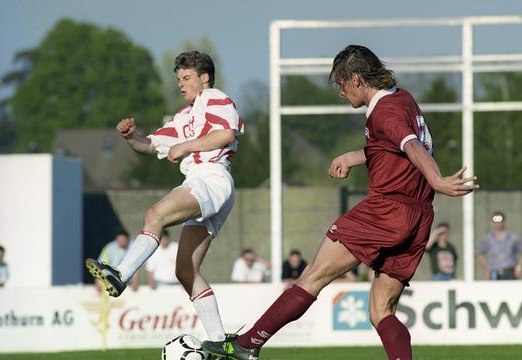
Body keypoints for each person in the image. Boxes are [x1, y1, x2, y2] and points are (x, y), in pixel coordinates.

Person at [201, 44, 478, 360]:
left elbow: (411, 145)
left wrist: (437, 179)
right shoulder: (402, 98)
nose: (342, 93)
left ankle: (248, 344)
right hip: (419, 216)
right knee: (381, 310)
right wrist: (354, 157)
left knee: (311, 277)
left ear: (357, 79)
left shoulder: (384, 110)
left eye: (342, 85)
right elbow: (396, 148)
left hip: (386, 209)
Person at [85, 50, 244, 343]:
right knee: (185, 270)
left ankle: (121, 273)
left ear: (204, 78)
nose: (180, 84)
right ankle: (221, 342)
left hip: (212, 178)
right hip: (202, 183)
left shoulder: (215, 98)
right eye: (178, 79)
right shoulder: (184, 117)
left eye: (186, 78)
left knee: (154, 215)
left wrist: (185, 147)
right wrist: (131, 137)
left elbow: (226, 135)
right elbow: (151, 145)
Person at [477, 211, 522, 280]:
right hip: (494, 273)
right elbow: (479, 254)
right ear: (492, 222)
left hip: (509, 272)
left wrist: (519, 267)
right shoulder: (488, 238)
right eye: (495, 221)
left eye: (500, 221)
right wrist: (487, 268)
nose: (498, 224)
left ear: (504, 222)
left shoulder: (513, 237)